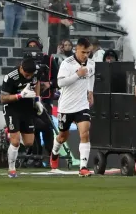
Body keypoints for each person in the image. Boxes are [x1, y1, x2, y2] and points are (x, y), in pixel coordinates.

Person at [51, 37, 95, 177]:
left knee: (85, 133)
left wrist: (90, 91)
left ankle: (83, 167)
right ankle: (54, 152)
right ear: (77, 50)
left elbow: (91, 77)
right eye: (83, 52)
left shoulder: (91, 63)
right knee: (63, 136)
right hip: (66, 106)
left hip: (82, 105)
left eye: (88, 52)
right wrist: (77, 75)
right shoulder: (67, 64)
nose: (86, 55)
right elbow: (60, 83)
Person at [0, 57, 43, 178]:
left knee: (29, 142)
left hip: (27, 108)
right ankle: (11, 169)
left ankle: (11, 133)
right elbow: (3, 99)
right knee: (15, 141)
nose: (29, 77)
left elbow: (37, 82)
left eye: (31, 74)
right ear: (21, 68)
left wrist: (37, 99)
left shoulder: (36, 71)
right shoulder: (10, 77)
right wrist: (19, 95)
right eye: (26, 74)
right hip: (12, 108)